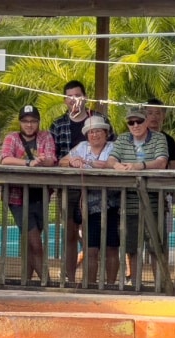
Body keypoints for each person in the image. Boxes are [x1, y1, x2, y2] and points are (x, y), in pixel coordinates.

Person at [50, 80, 114, 279]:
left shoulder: (100, 118)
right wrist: (70, 162)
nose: (74, 99)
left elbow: (115, 151)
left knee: (95, 237)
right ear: (65, 100)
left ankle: (98, 279)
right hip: (69, 187)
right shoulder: (58, 124)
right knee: (70, 232)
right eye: (70, 96)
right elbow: (56, 157)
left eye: (77, 95)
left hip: (101, 191)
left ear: (85, 97)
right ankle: (69, 277)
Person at [108, 105, 169, 283]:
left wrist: (138, 166)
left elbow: (161, 161)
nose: (135, 125)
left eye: (139, 121)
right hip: (129, 203)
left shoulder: (159, 138)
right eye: (131, 122)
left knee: (156, 247)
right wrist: (117, 166)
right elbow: (111, 159)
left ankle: (160, 286)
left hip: (154, 202)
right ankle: (135, 285)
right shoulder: (122, 139)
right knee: (132, 248)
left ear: (146, 121)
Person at [0, 104, 56, 283]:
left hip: (40, 197)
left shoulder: (46, 136)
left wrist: (42, 160)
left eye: (33, 121)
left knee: (31, 243)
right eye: (25, 121)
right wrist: (27, 163)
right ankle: (47, 283)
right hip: (17, 197)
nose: (29, 125)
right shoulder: (12, 138)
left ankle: (27, 282)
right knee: (35, 243)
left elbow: (51, 159)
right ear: (20, 123)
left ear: (38, 122)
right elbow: (5, 159)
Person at [61, 116, 118, 285]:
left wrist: (103, 165)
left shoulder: (114, 147)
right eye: (91, 132)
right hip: (89, 205)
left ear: (106, 133)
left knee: (111, 248)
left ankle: (111, 286)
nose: (94, 135)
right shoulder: (81, 147)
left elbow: (116, 163)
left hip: (113, 203)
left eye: (98, 131)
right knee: (91, 249)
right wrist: (72, 161)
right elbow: (62, 161)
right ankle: (90, 285)